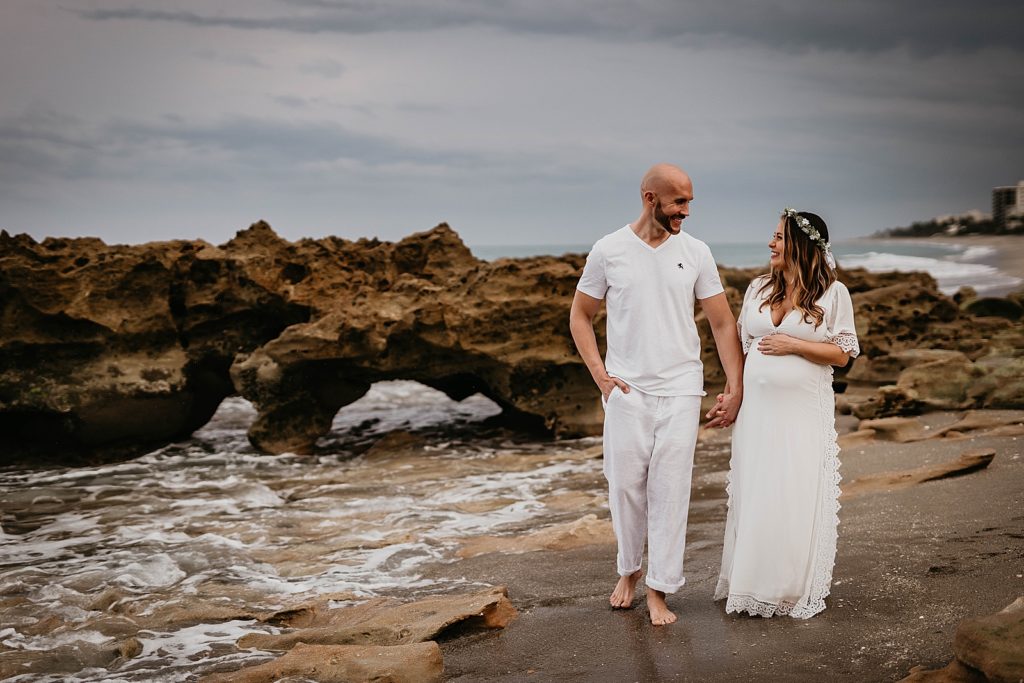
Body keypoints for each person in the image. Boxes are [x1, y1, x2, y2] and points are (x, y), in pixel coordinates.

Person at [569, 163, 744, 626]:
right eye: (679, 202)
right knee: (624, 486)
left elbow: (723, 323)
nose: (686, 211)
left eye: (689, 202)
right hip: (627, 389)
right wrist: (601, 377)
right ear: (651, 199)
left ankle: (659, 589)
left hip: (682, 389)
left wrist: (735, 385)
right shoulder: (609, 250)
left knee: (670, 492)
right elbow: (580, 316)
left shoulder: (696, 251)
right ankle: (629, 569)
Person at [713, 208, 859, 619]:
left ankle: (788, 588)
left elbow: (843, 354)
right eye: (773, 236)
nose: (771, 244)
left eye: (778, 237)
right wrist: (731, 397)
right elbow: (741, 354)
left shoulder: (833, 294)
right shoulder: (758, 287)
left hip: (802, 412)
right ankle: (750, 584)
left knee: (793, 492)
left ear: (801, 244)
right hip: (756, 414)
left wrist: (794, 345)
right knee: (756, 491)